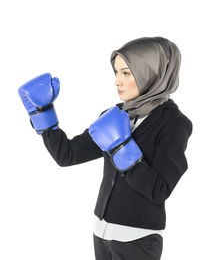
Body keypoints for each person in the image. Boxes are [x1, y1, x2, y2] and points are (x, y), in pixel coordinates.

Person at [18, 36, 193, 260]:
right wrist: (43, 114)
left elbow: (159, 190)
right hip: (101, 232)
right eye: (116, 72)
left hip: (138, 239)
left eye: (126, 73)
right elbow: (67, 155)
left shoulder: (174, 123)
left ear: (152, 73)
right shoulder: (115, 115)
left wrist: (122, 147)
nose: (117, 81)